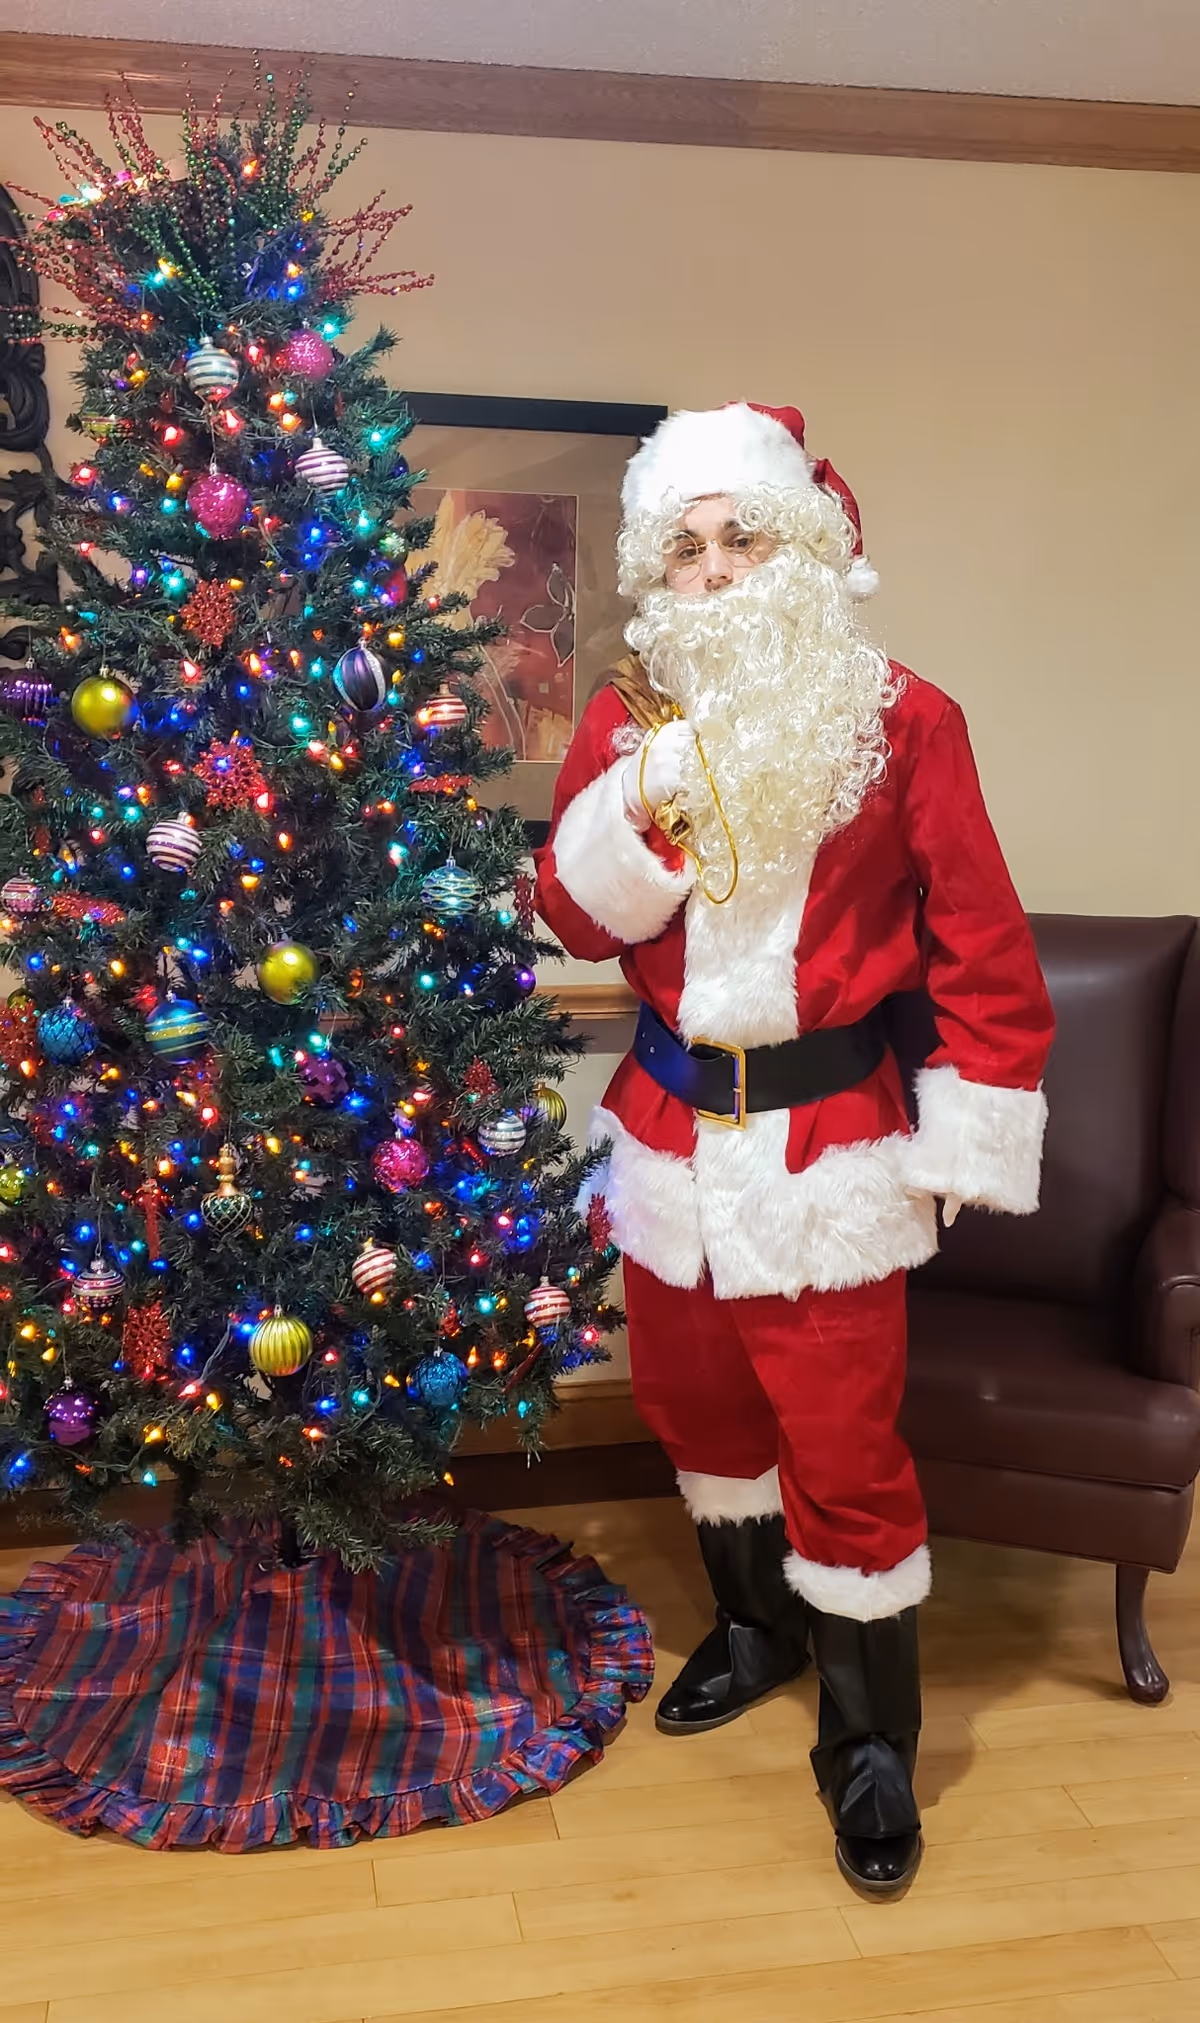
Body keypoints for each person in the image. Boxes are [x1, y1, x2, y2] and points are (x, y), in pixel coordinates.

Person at [534, 401, 1054, 1895]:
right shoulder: (626, 729)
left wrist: (969, 1129)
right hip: (665, 1140)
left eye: (741, 532)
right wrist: (646, 800)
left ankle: (869, 1741)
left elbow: (985, 957)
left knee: (845, 1450)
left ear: (809, 546)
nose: (712, 568)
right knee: (694, 1408)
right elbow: (575, 917)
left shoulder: (908, 722)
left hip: (828, 1155)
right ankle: (753, 1626)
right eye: (684, 546)